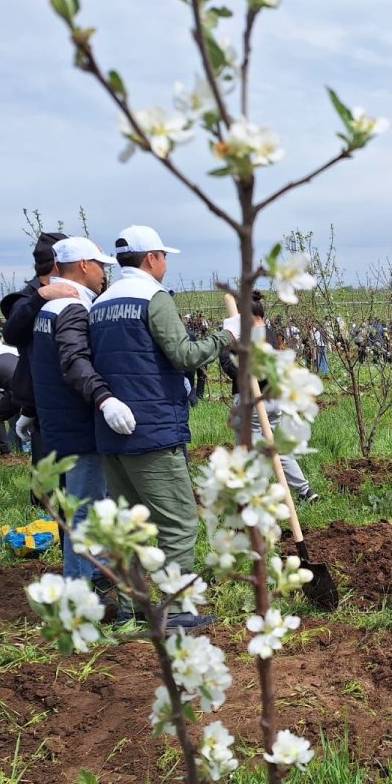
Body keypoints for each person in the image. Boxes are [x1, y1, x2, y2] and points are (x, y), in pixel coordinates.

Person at [89, 225, 238, 628]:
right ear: (151, 258)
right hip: (152, 428)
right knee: (178, 522)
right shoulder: (152, 298)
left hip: (110, 430)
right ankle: (177, 610)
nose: (166, 264)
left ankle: (130, 608)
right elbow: (185, 354)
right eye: (164, 256)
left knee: (129, 524)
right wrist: (227, 336)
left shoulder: (101, 304)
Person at [32, 237, 134, 595]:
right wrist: (105, 399)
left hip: (59, 423)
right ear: (85, 266)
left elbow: (42, 366)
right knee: (88, 513)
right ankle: (81, 592)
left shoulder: (49, 308)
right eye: (101, 265)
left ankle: (93, 583)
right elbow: (74, 362)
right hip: (79, 426)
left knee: (84, 509)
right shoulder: (73, 308)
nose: (104, 272)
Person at [221, 291, 319, 502]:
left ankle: (254, 498)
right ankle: (305, 491)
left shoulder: (241, 336)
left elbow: (228, 365)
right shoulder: (270, 334)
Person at [0, 231, 71, 461]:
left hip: (72, 392)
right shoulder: (26, 300)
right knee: (48, 471)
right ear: (59, 265)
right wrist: (42, 296)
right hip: (42, 398)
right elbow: (12, 331)